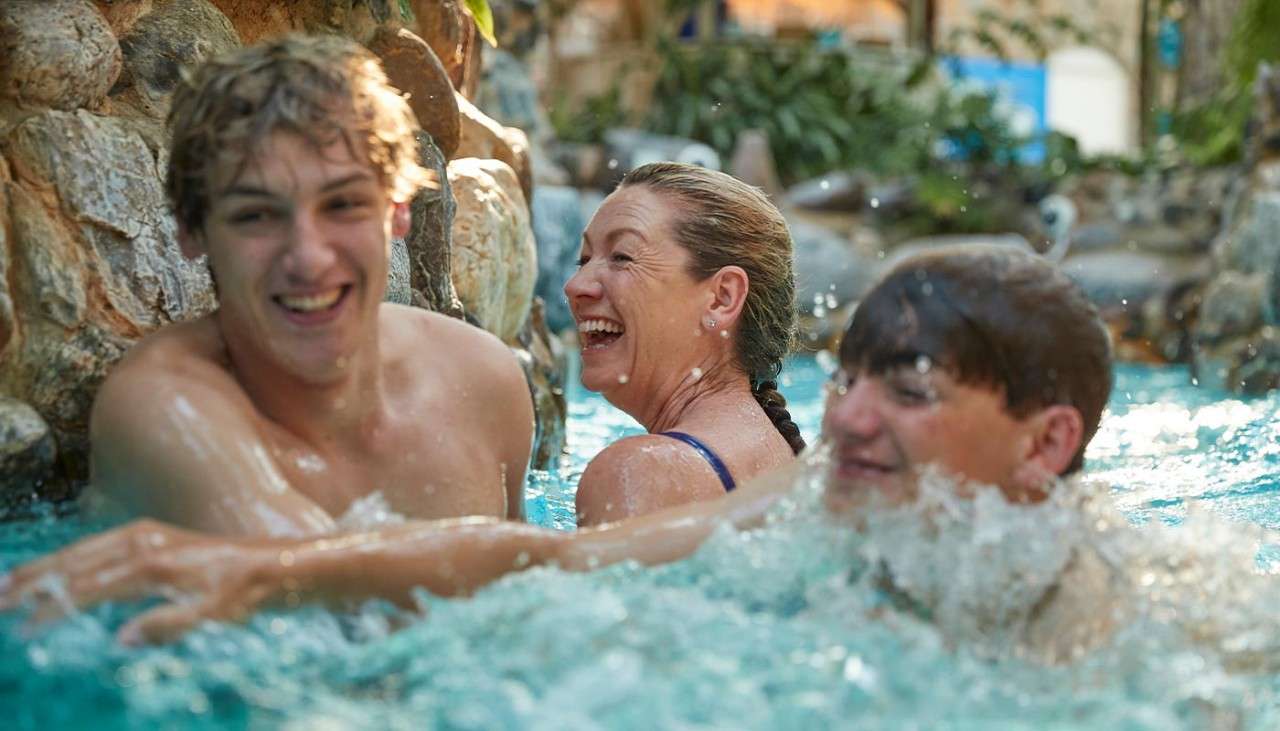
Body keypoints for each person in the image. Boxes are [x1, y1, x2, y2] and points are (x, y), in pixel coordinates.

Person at [1, 246, 1117, 646]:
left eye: (907, 389)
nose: (849, 420)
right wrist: (265, 570)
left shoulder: (1143, 607)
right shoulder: (812, 502)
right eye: (848, 378)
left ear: (1044, 442)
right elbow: (547, 561)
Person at [87, 34, 535, 536]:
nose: (307, 257)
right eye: (256, 215)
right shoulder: (164, 408)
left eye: (342, 205)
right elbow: (304, 573)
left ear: (397, 209)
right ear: (192, 230)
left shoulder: (481, 382)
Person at [565, 162, 806, 525]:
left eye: (622, 257)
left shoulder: (642, 473)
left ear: (721, 298)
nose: (576, 286)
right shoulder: (784, 463)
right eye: (582, 260)